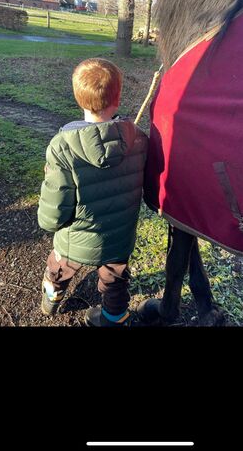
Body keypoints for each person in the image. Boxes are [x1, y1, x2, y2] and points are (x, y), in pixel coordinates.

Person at [38, 58, 148, 326]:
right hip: (118, 240)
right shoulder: (139, 140)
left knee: (58, 270)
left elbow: (53, 213)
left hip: (74, 242)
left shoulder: (62, 147)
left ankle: (50, 302)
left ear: (78, 98)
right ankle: (114, 318)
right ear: (118, 97)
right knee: (115, 281)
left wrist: (49, 224)